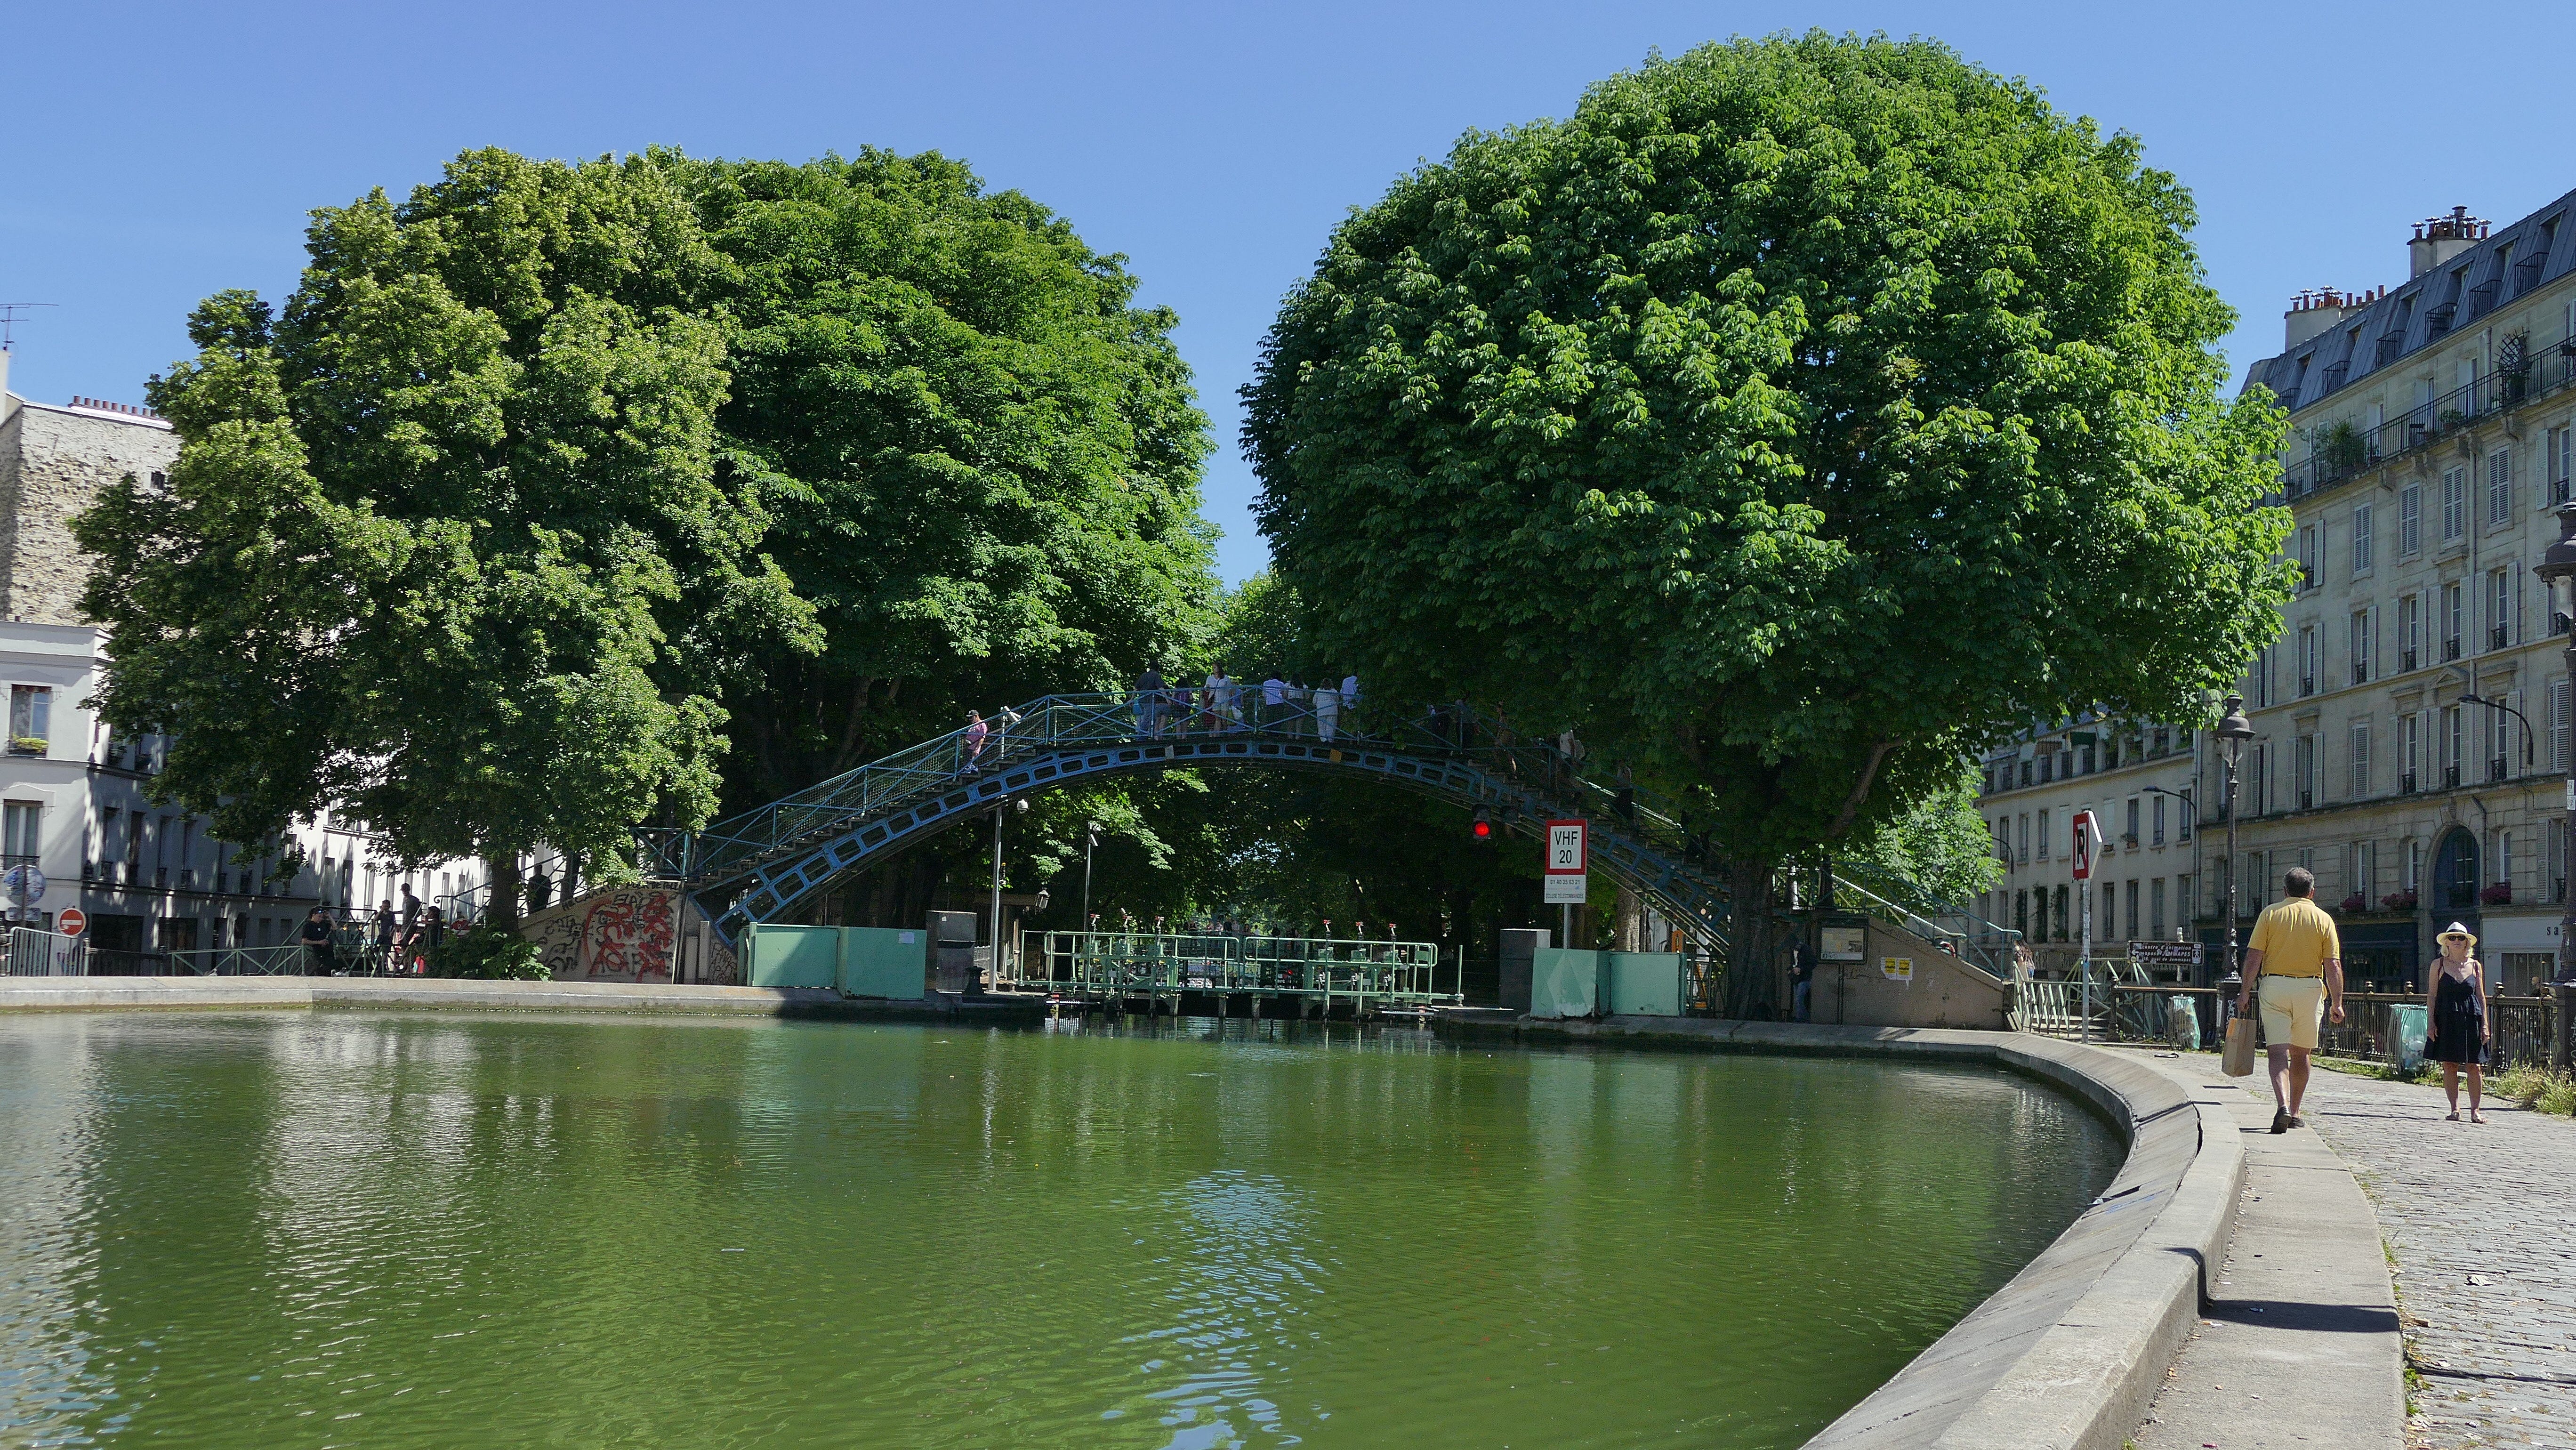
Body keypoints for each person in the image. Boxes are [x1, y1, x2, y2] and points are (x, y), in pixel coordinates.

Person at [2235, 866, 2348, 1134]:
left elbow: (2253, 958)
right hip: (2310, 987)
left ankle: (2282, 1106)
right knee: (2302, 1054)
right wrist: (2337, 1002)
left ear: (2285, 891)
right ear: (2312, 892)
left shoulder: (2270, 914)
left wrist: (2244, 993)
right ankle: (2296, 1112)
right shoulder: (2324, 919)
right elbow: (2333, 965)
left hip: (2274, 985)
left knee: (2277, 1052)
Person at [2423, 922, 2491, 1123]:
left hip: (2471, 1018)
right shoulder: (2438, 965)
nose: (2457, 941)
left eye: (2461, 938)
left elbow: (2481, 996)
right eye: (2452, 938)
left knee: (2474, 1066)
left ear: (2468, 942)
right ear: (2446, 942)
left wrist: (2485, 1024)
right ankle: (2455, 1109)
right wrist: (2431, 1023)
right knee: (2449, 1064)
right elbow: (2432, 995)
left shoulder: (2476, 966)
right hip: (2447, 1018)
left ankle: (2476, 1111)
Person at [300, 905, 339, 976]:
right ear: (314, 915)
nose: (321, 919)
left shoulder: (323, 924)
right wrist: (319, 942)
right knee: (323, 968)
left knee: (334, 965)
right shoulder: (308, 925)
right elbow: (304, 941)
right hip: (317, 951)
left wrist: (329, 917)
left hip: (328, 950)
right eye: (319, 917)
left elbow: (335, 927)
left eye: (322, 917)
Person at [1135, 666, 1166, 738]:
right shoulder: (1156, 676)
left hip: (1141, 700)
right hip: (1149, 700)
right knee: (1147, 718)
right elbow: (1161, 688)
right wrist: (1167, 699)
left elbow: (1136, 688)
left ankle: (1147, 735)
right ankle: (1141, 737)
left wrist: (1132, 699)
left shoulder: (1143, 675)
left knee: (1146, 718)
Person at [961, 710, 989, 775]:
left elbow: (982, 738)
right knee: (968, 763)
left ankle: (967, 774)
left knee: (968, 763)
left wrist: (977, 749)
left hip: (974, 747)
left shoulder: (982, 725)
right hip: (969, 746)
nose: (970, 719)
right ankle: (977, 772)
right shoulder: (973, 725)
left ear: (976, 716)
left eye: (971, 717)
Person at [371, 901, 396, 975]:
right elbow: (375, 919)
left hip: (388, 935)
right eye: (384, 906)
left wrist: (392, 932)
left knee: (385, 952)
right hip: (381, 935)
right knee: (375, 949)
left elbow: (395, 924)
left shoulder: (391, 914)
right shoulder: (381, 914)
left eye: (386, 906)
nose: (385, 907)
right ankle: (381, 961)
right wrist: (380, 911)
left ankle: (382, 967)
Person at [1314, 678, 1340, 742]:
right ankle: (1330, 741)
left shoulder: (1319, 691)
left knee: (1321, 727)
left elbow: (1314, 701)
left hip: (1321, 711)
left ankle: (1324, 740)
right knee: (1331, 727)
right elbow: (1337, 701)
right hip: (1332, 711)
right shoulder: (1334, 691)